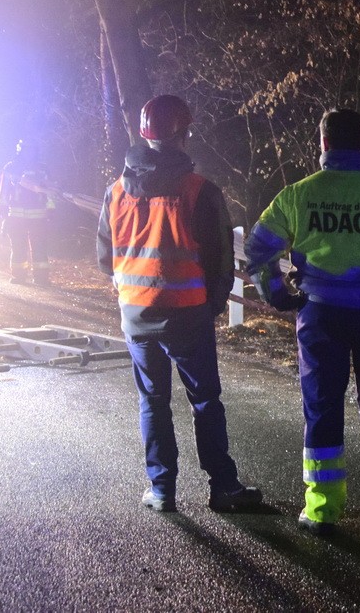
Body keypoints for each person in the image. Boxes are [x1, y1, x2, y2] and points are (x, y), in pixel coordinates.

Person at [245, 108, 360, 537]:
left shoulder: (296, 195)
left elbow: (258, 250)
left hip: (320, 317)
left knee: (322, 407)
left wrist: (278, 296)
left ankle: (322, 511)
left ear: (324, 143)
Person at [97, 94, 262, 514]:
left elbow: (104, 259)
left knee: (153, 400)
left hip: (136, 315)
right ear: (184, 134)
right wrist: (214, 304)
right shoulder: (200, 191)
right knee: (205, 399)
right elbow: (222, 258)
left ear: (143, 134)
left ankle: (161, 489)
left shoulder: (115, 191)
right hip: (188, 313)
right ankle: (223, 487)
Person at [0, 140, 56, 285]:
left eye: (31, 150)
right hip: (16, 216)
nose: (29, 153)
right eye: (26, 150)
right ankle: (19, 276)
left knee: (40, 248)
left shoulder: (42, 169)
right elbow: (4, 192)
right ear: (21, 150)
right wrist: (3, 212)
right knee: (18, 247)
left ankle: (41, 278)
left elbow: (51, 192)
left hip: (38, 216)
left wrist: (51, 210)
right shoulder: (11, 168)